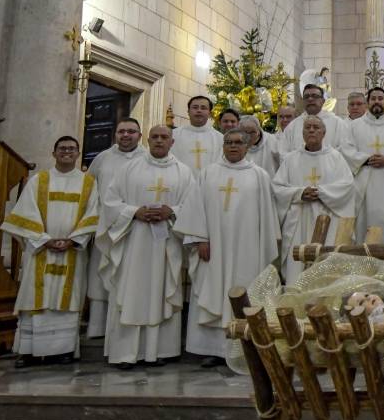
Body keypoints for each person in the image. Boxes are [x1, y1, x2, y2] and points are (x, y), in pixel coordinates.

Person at [174, 129, 281, 367]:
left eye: (238, 143)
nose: (233, 146)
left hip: (248, 248)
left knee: (246, 291)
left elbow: (267, 218)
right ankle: (212, 349)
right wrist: (200, 238)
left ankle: (244, 347)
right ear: (223, 146)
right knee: (215, 289)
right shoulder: (208, 173)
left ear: (246, 147)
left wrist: (266, 246)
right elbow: (195, 209)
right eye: (229, 142)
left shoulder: (259, 176)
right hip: (213, 247)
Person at [101, 125, 196, 369]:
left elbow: (194, 206)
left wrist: (171, 211)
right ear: (148, 140)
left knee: (163, 289)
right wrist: (135, 212)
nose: (159, 141)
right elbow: (110, 202)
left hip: (166, 243)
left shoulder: (183, 173)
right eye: (155, 137)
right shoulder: (128, 169)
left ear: (172, 142)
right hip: (134, 241)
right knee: (131, 292)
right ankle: (125, 353)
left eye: (164, 137)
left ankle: (161, 350)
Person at [2, 136, 99, 368]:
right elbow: (26, 212)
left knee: (66, 302)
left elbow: (94, 215)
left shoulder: (88, 183)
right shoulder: (39, 180)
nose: (67, 152)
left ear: (78, 154)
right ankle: (28, 351)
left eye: (72, 149)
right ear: (53, 152)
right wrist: (44, 240)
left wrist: (73, 240)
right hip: (40, 252)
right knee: (36, 300)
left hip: (72, 252)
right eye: (62, 149)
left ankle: (63, 351)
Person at [85, 119, 146, 338]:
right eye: (122, 131)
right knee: (102, 274)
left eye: (131, 131)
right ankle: (97, 327)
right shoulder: (103, 158)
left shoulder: (147, 159)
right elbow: (88, 189)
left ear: (140, 135)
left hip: (135, 227)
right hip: (106, 226)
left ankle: (125, 326)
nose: (126, 135)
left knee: (128, 276)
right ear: (115, 135)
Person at [273, 116, 355, 280]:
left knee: (326, 266)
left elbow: (347, 186)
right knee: (296, 268)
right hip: (298, 220)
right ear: (302, 133)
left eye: (316, 127)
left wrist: (321, 193)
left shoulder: (335, 157)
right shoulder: (291, 159)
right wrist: (300, 193)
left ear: (324, 133)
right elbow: (277, 188)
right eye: (307, 127)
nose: (311, 130)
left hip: (328, 220)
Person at [341, 87, 384, 240]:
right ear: (367, 103)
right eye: (373, 98)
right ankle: (363, 261)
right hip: (363, 182)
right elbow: (346, 150)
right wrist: (367, 159)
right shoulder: (354, 126)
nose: (377, 101)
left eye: (380, 98)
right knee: (363, 225)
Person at [281, 84, 346, 153]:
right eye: (306, 97)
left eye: (314, 96)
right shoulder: (292, 127)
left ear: (323, 101)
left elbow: (344, 151)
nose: (310, 99)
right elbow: (284, 153)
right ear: (303, 101)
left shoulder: (338, 124)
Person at [172, 96, 223, 173]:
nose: (199, 110)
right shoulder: (174, 135)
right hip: (181, 181)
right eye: (195, 107)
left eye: (203, 108)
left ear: (209, 113)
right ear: (188, 112)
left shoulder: (220, 138)